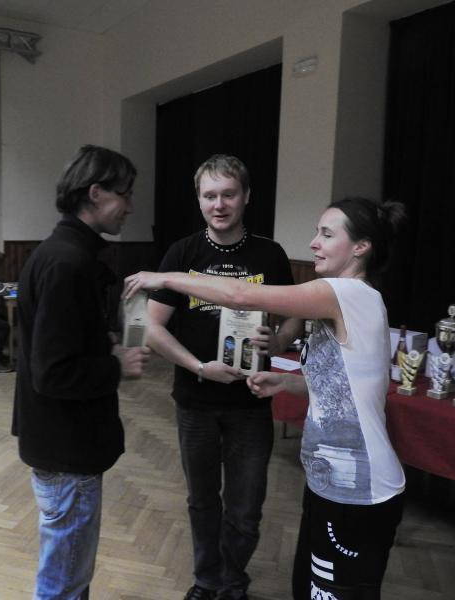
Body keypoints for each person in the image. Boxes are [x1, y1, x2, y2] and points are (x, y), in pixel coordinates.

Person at [124, 196, 408, 600]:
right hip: (330, 482)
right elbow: (348, 386)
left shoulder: (347, 294)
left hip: (360, 488)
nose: (314, 243)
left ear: (361, 247)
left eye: (327, 235)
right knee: (306, 590)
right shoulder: (348, 299)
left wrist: (165, 278)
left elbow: (242, 296)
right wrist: (287, 385)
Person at [137, 154, 301, 600]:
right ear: (199, 200)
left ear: (246, 196)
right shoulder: (181, 254)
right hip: (196, 402)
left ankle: (233, 580)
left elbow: (295, 317)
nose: (219, 204)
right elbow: (151, 327)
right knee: (202, 501)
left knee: (246, 510)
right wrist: (198, 367)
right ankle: (208, 581)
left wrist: (279, 341)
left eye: (228, 194)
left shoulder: (270, 253)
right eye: (209, 195)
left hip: (251, 402)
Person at [12, 144, 151, 600]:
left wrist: (105, 343)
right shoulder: (66, 262)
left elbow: (61, 345)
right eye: (125, 194)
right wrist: (116, 364)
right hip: (66, 448)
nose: (130, 206)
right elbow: (52, 373)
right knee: (63, 586)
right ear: (95, 193)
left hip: (61, 443)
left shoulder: (65, 254)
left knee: (68, 577)